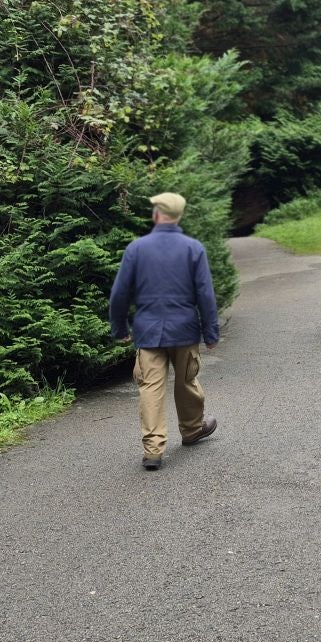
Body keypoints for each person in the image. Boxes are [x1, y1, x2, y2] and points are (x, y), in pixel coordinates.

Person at [108, 192, 220, 470]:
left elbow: (120, 293)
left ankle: (153, 450)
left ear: (157, 214)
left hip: (147, 332)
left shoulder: (137, 249)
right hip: (184, 329)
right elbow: (205, 294)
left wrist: (120, 327)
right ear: (179, 216)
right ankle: (193, 429)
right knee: (187, 382)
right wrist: (211, 333)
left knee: (150, 387)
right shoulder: (193, 248)